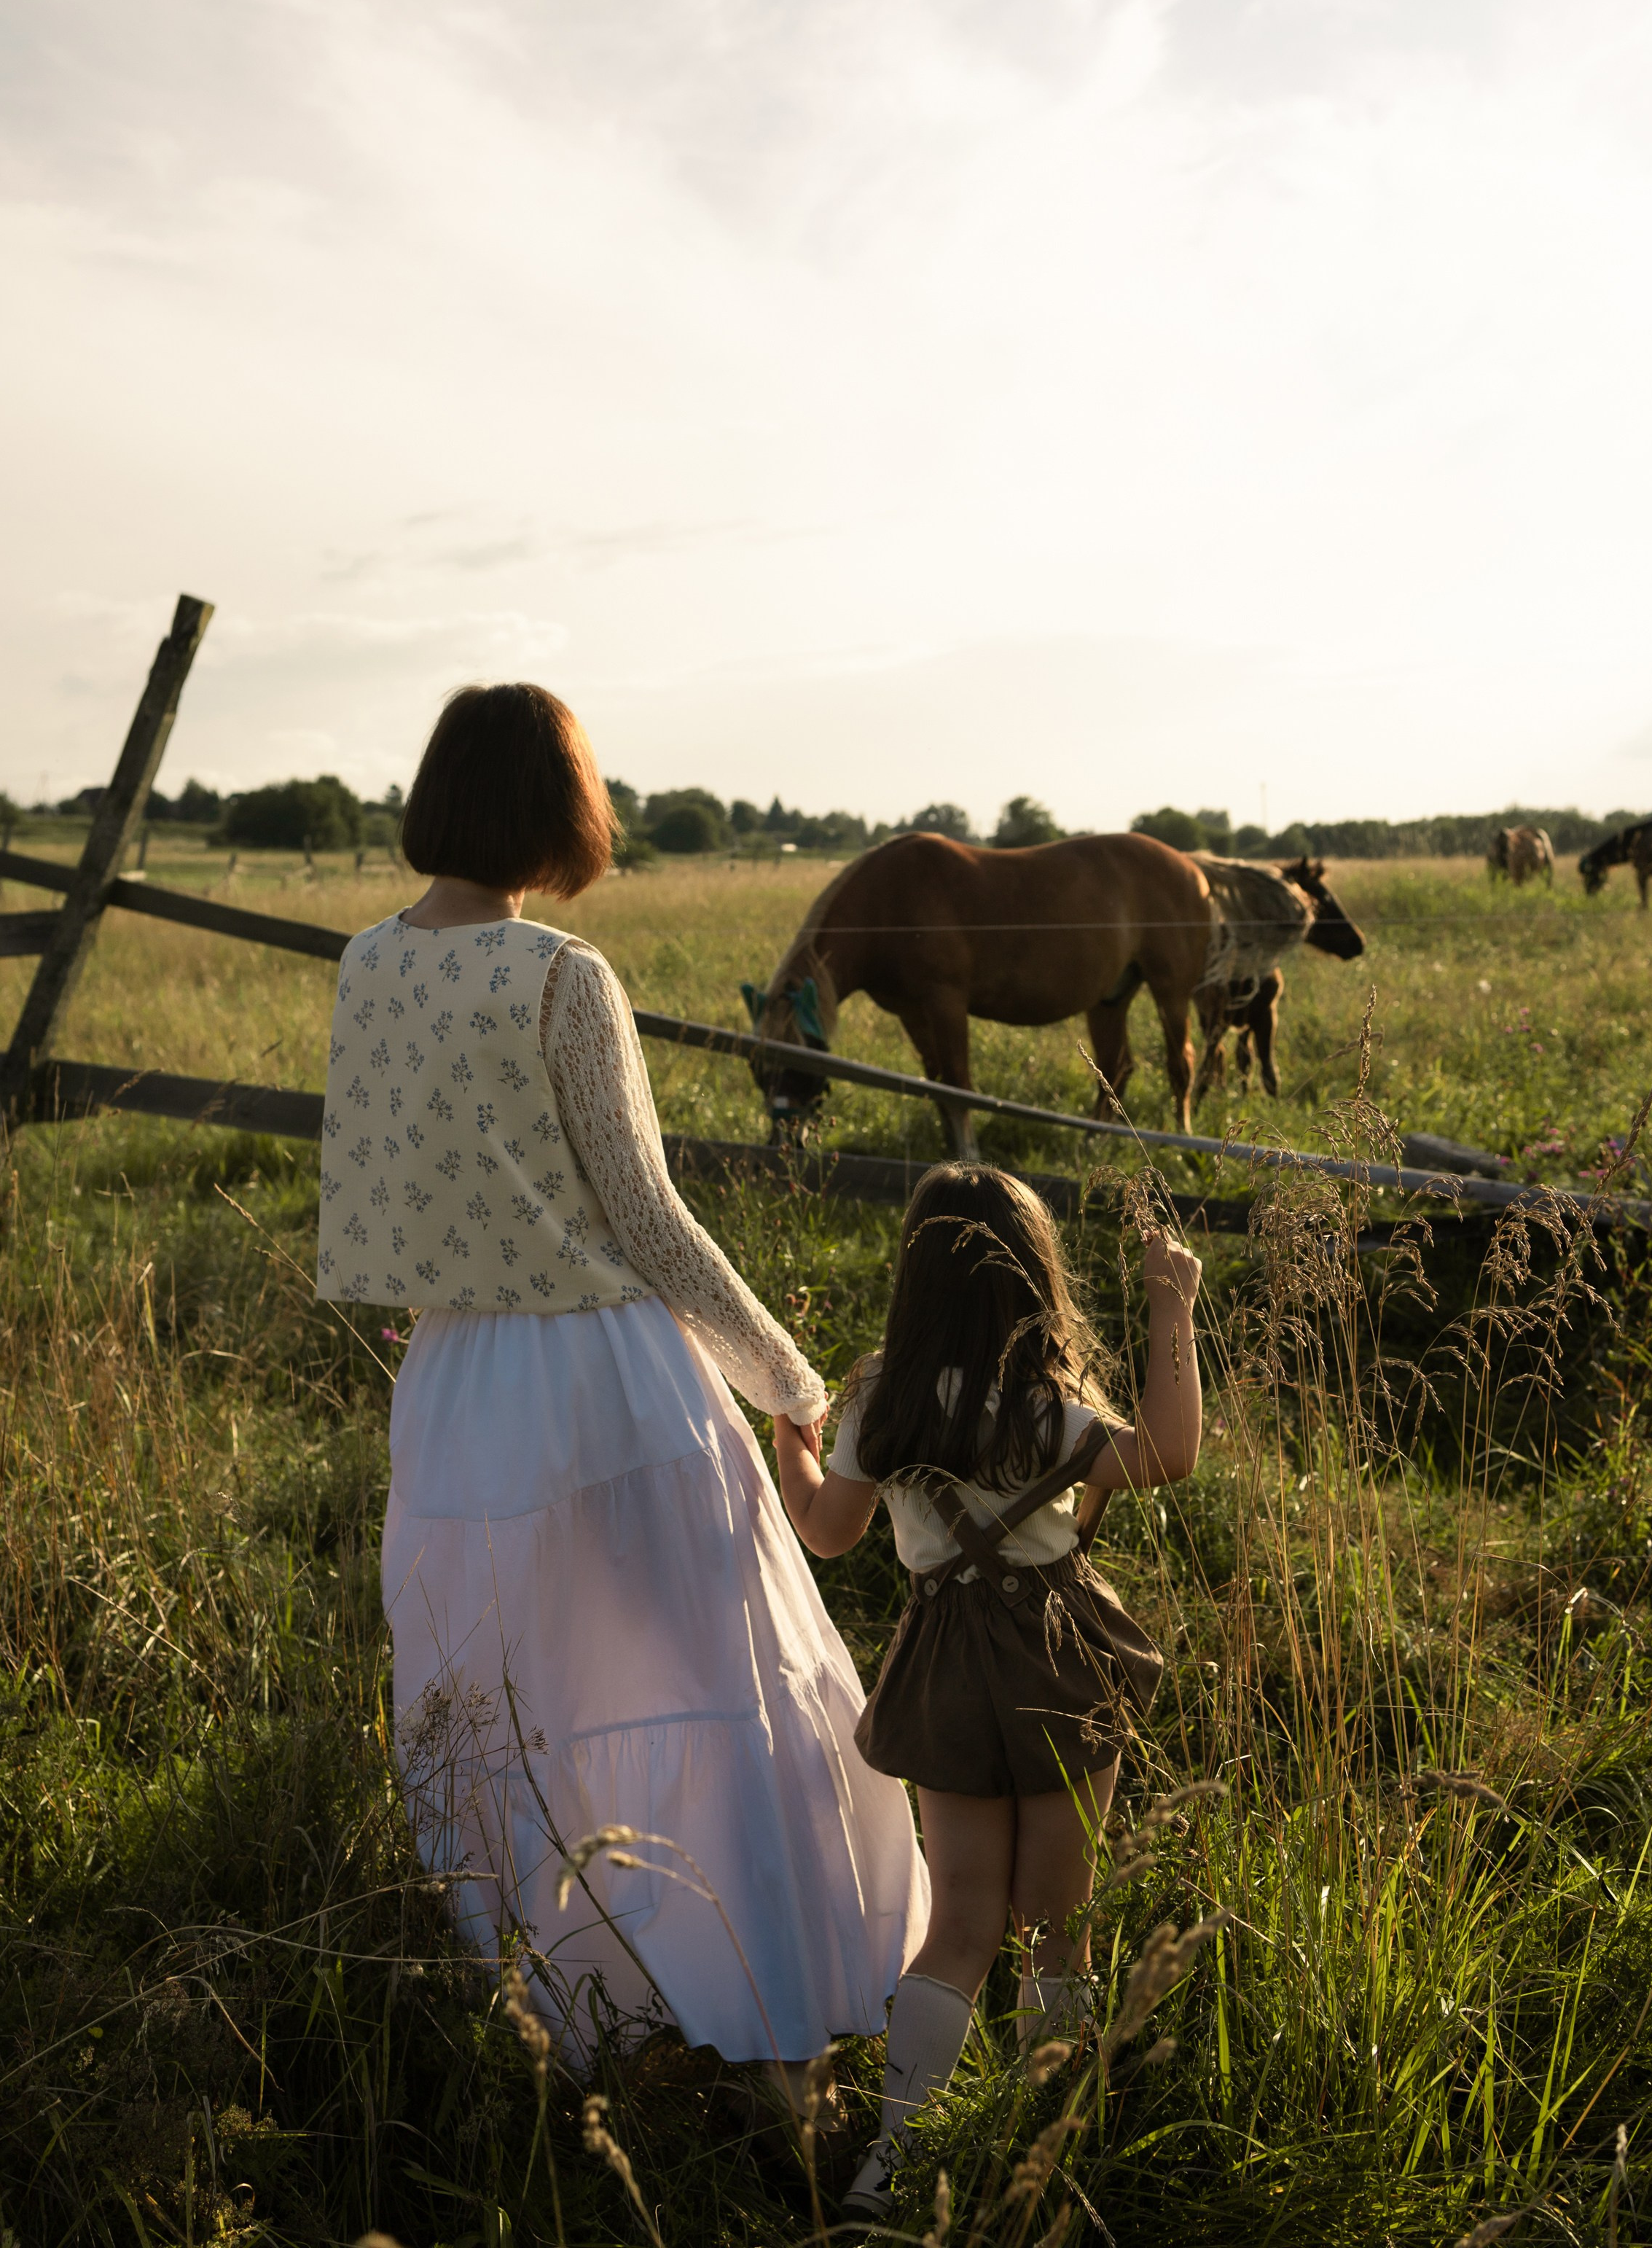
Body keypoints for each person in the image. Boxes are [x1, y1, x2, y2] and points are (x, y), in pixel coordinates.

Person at [317, 683, 927, 2092]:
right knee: (700, 1674)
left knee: (512, 1702)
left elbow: (386, 1196)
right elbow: (647, 1219)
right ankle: (765, 2015)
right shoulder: (560, 975)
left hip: (455, 1382)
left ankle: (575, 2015)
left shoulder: (366, 965)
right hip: (605, 1370)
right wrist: (783, 1370)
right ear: (556, 808)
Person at [774, 1162, 1201, 2222]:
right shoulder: (1048, 1411)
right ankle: (1036, 2150)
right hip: (1060, 1654)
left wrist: (794, 1440)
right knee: (1060, 1923)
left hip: (949, 1667)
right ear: (1035, 1282)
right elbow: (1168, 1457)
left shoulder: (883, 1400)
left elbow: (828, 1533)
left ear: (914, 1282)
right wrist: (1171, 1306)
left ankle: (892, 2161)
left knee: (960, 1922)